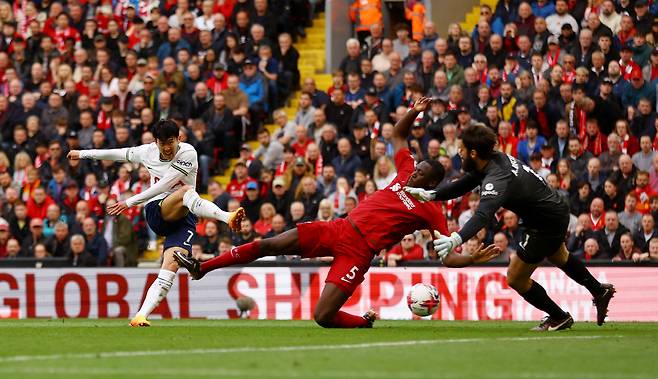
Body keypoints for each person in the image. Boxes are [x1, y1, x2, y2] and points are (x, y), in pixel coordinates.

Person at [174, 98, 501, 328]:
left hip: (359, 253)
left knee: (322, 316)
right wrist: (413, 112)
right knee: (272, 243)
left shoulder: (431, 209)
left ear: (432, 182)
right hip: (339, 228)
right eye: (414, 173)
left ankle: (362, 322)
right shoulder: (404, 172)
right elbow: (399, 135)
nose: (412, 176)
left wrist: (469, 259)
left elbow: (446, 256)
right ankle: (204, 266)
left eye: (419, 177)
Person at [405, 123, 616, 331]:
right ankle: (598, 291)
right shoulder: (491, 159)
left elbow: (482, 215)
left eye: (461, 149)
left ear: (473, 152)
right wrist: (433, 195)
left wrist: (456, 239)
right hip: (551, 212)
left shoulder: (497, 178)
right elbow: (467, 182)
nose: (458, 152)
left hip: (544, 222)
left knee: (515, 278)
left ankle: (558, 316)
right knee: (558, 256)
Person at [68, 119, 245, 327]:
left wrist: (129, 201)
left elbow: (166, 183)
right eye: (163, 143)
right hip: (157, 211)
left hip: (184, 215)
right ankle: (227, 217)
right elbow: (118, 153)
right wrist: (83, 153)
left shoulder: (188, 152)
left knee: (171, 265)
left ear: (179, 138)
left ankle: (140, 315)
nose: (168, 147)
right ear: (156, 142)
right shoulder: (147, 152)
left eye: (171, 141)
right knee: (187, 191)